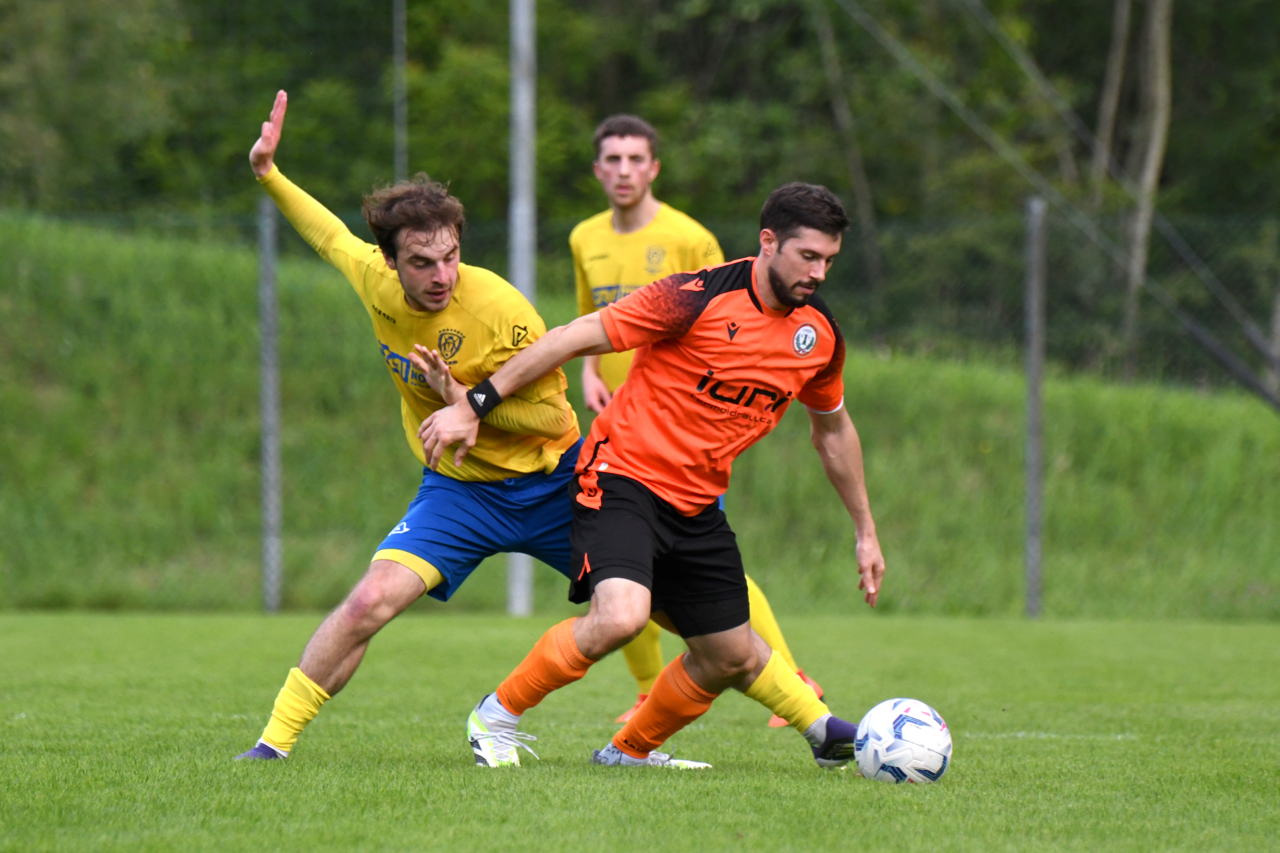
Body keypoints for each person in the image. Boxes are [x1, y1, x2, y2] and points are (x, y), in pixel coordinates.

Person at [421, 182, 886, 769]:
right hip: (621, 476)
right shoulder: (695, 297)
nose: (818, 273)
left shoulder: (818, 336)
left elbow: (834, 432)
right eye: (808, 256)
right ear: (768, 242)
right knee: (621, 616)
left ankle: (629, 753)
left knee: (729, 656)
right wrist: (475, 403)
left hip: (697, 504)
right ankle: (495, 716)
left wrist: (865, 530)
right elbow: (569, 337)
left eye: (829, 260)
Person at [235, 90, 582, 763]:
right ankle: (270, 747)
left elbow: (555, 417)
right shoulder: (376, 281)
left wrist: (468, 401)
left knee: (659, 598)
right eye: (421, 262)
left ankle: (667, 735)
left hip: (553, 485)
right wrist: (268, 173)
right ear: (391, 261)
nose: (441, 275)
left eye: (450, 256)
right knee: (367, 602)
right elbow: (328, 235)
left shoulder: (503, 310)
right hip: (461, 491)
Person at [572, 114, 823, 727]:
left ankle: (794, 678)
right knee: (624, 569)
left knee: (711, 569)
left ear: (654, 168)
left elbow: (740, 308)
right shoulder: (584, 237)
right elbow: (590, 314)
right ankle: (645, 690)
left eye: (636, 159)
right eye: (613, 160)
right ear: (597, 170)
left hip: (687, 432)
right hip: (623, 428)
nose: (625, 171)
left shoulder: (689, 237)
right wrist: (590, 372)